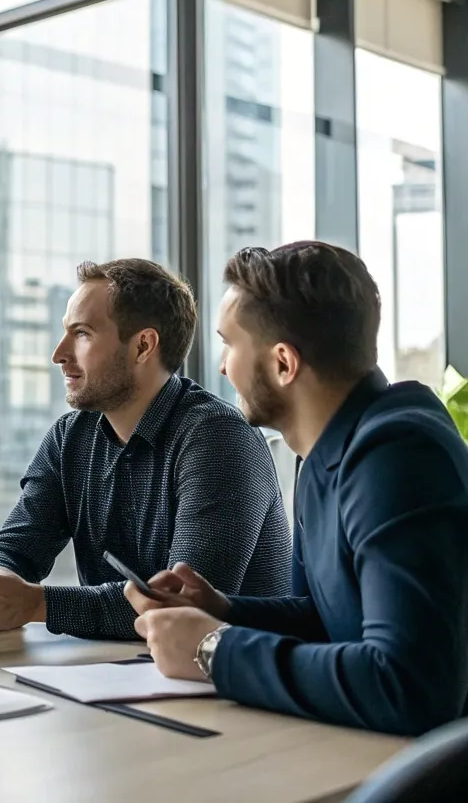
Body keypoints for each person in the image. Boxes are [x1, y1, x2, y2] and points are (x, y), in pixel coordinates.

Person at [130, 241, 468, 736]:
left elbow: (410, 686)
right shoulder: (321, 457)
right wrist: (220, 609)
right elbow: (324, 617)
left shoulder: (398, 458)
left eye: (229, 344)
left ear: (283, 363)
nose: (222, 367)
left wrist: (213, 650)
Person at [0, 258, 291, 639]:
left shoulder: (219, 438)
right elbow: (15, 547)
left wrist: (36, 604)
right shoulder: (70, 437)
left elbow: (182, 607)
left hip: (225, 682)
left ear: (143, 346)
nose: (59, 353)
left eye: (82, 333)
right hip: (116, 671)